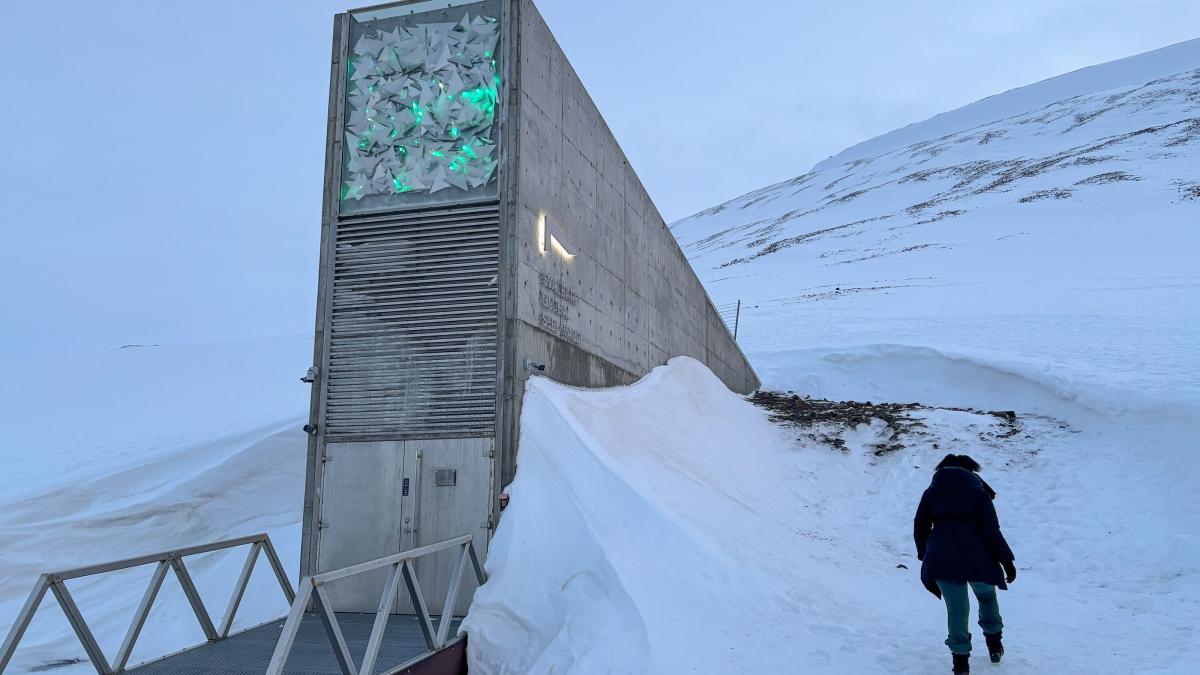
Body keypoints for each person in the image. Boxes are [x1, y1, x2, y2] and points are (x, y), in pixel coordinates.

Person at [913, 454, 1017, 674]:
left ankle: (960, 663)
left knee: (957, 609)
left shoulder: (932, 492)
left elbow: (920, 526)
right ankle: (994, 645)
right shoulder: (978, 492)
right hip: (978, 558)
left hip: (942, 558)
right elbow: (992, 531)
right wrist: (1007, 561)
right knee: (987, 596)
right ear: (971, 471)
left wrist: (926, 554)